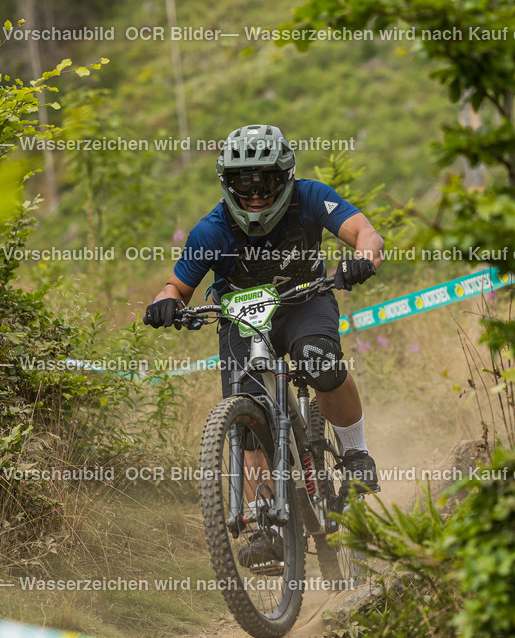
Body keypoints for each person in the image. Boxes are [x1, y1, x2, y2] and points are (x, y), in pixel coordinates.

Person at [143, 124, 383, 568]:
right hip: (241, 317)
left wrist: (363, 259)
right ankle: (263, 524)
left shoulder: (310, 197)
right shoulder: (212, 229)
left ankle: (355, 453)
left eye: (265, 182)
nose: (254, 195)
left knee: (320, 363)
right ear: (227, 184)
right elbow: (175, 287)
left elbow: (365, 232)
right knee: (248, 416)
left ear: (284, 176)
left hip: (304, 301)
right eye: (243, 183)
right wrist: (165, 304)